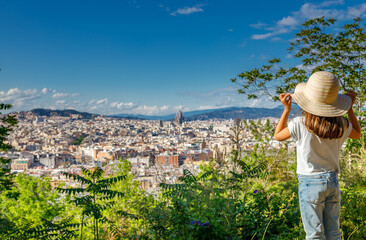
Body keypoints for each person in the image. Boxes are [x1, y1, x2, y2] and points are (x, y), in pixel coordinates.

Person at [273, 71, 361, 240]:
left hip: (309, 182)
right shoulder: (342, 125)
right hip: (332, 180)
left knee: (314, 235)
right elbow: (357, 133)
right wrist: (349, 109)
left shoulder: (300, 123)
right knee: (334, 233)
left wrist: (286, 109)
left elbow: (277, 135)